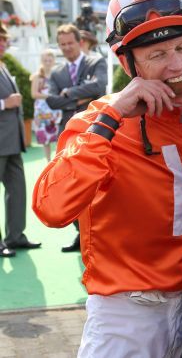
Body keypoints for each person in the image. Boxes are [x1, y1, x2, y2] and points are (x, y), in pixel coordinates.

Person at [32, 0, 182, 357]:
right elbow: (51, 208)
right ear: (127, 61)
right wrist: (113, 115)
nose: (176, 65)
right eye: (156, 55)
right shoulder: (97, 122)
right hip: (125, 316)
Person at [46, 23, 107, 252]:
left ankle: (97, 233)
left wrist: (68, 93)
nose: (67, 48)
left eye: (70, 43)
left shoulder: (96, 62)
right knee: (70, 182)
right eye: (62, 45)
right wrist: (80, 96)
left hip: (96, 131)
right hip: (68, 134)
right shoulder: (56, 73)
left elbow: (99, 85)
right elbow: (52, 100)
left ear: (79, 42)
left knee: (97, 184)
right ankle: (79, 234)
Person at [0, 23, 41, 257]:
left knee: (17, 190)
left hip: (13, 141)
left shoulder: (4, 65)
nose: (4, 43)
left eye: (4, 39)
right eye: (0, 39)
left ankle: (15, 236)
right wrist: (4, 104)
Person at [30, 49, 62, 161]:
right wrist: (49, 96)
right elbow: (34, 94)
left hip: (55, 110)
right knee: (45, 138)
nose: (47, 62)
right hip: (42, 111)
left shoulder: (58, 74)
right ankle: (48, 162)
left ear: (54, 61)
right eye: (45, 60)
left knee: (58, 136)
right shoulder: (37, 76)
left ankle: (58, 162)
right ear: (41, 61)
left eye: (50, 60)